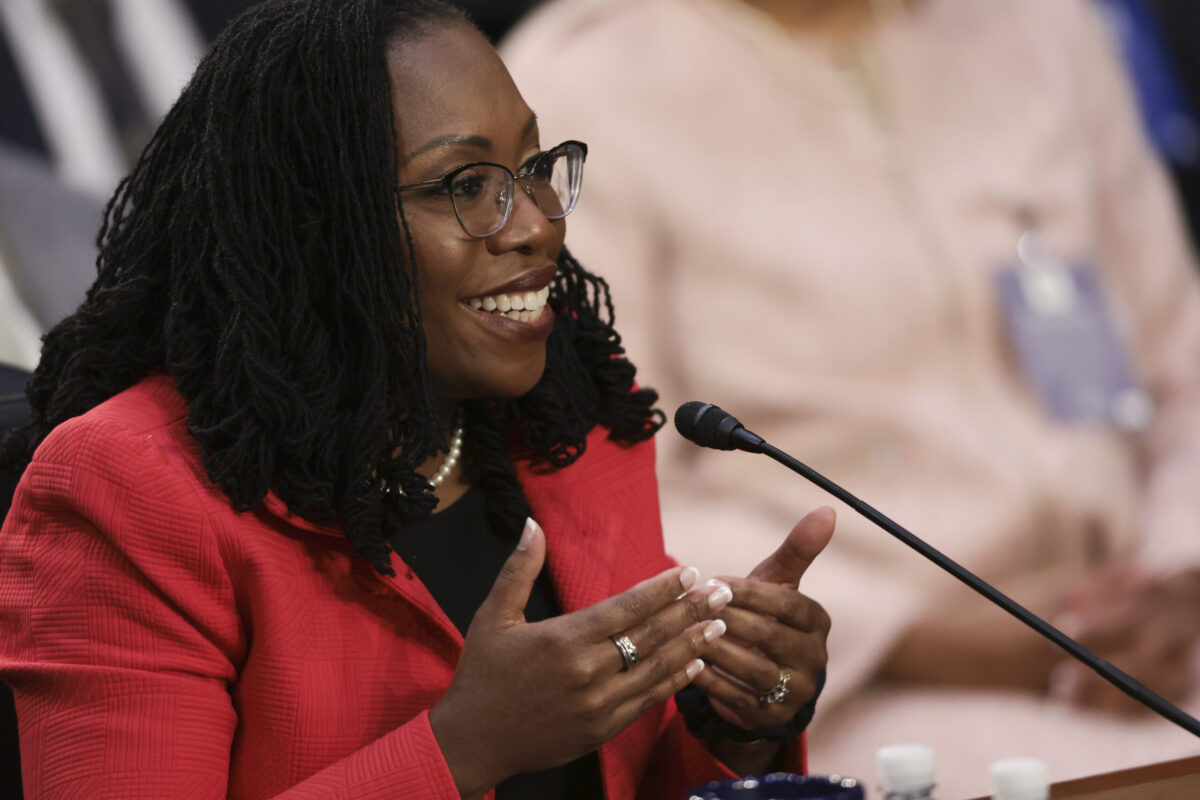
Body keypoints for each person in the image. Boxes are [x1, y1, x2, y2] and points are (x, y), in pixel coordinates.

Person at [0, 1, 836, 797]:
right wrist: (462, 749)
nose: (536, 223)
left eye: (534, 169)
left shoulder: (572, 426)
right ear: (315, 225)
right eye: (463, 185)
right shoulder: (128, 492)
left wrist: (736, 725)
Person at [500, 0, 1200, 794]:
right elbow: (593, 488)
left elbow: (1184, 368)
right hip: (853, 687)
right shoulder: (585, 83)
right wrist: (907, 637)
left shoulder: (1044, 31)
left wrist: (1182, 577)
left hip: (1154, 629)